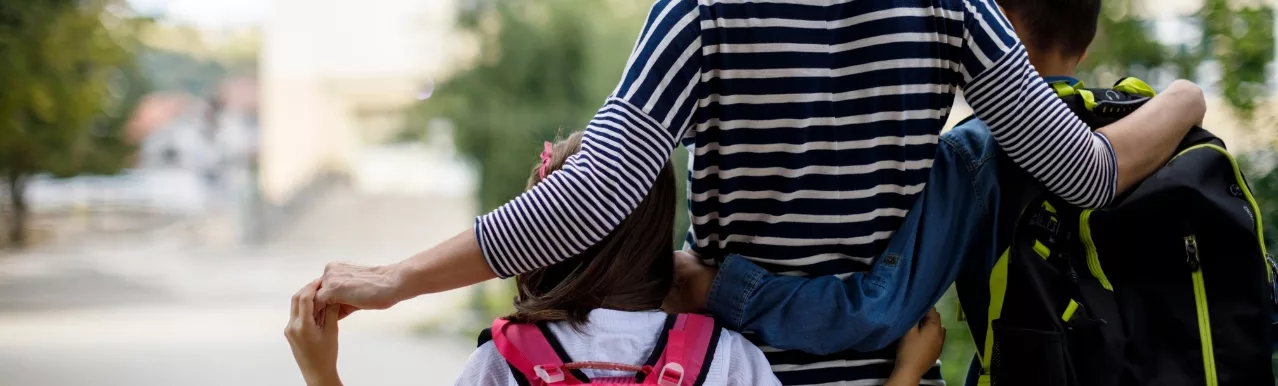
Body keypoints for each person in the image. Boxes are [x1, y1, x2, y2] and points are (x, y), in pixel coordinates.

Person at [313, 0, 1207, 383]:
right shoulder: (956, 7)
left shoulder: (702, 11)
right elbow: (1085, 174)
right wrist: (1185, 98)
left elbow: (593, 195)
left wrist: (397, 279)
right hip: (894, 368)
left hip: (730, 371)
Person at [284, 134, 948, 386]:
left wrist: (323, 374)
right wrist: (906, 375)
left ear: (539, 236)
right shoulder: (728, 361)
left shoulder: (502, 365)